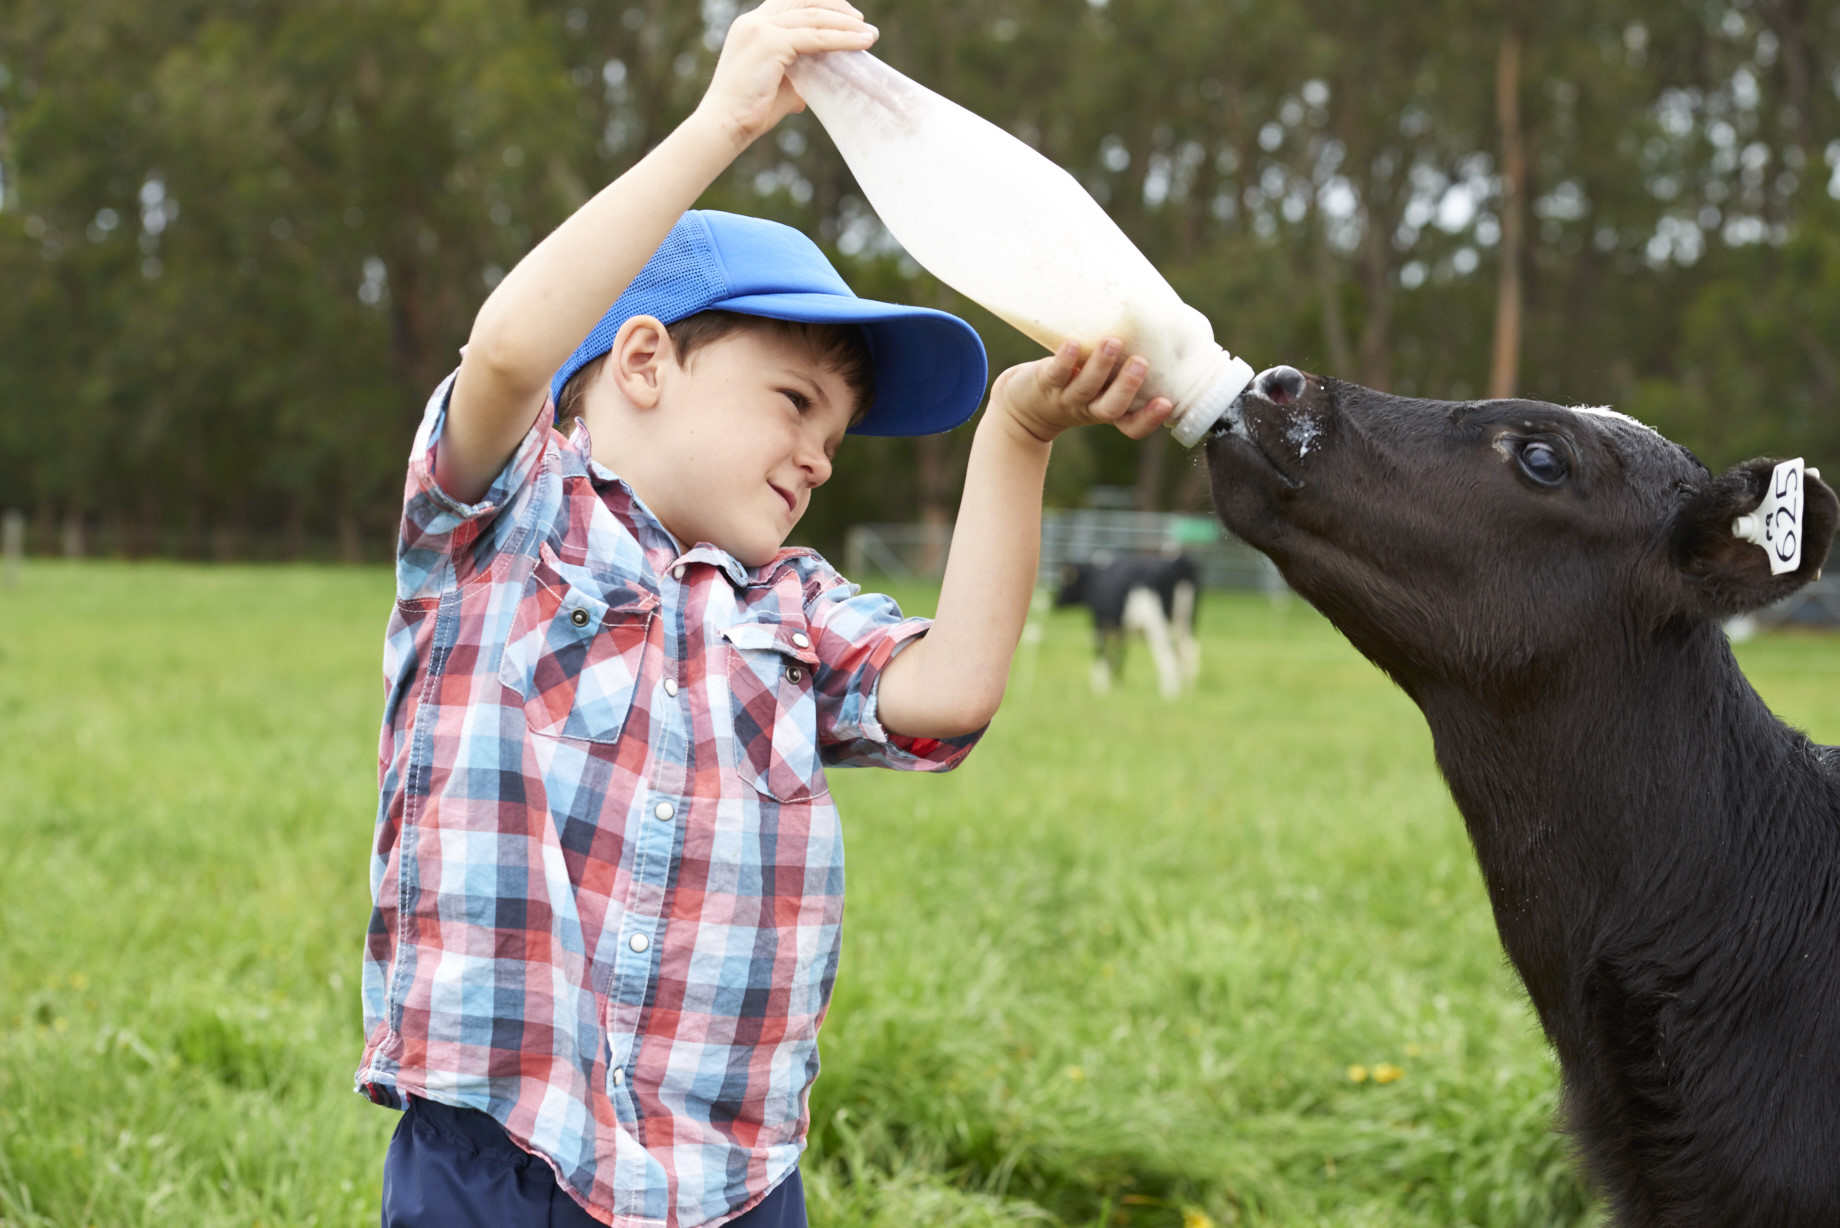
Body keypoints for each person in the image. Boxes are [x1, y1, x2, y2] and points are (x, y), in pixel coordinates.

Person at [354, 3, 1175, 1225]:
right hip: (500, 1149)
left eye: (835, 434)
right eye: (793, 400)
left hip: (728, 1177)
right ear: (643, 363)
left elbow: (948, 692)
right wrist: (720, 121)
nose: (818, 455)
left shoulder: (790, 606)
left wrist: (1014, 434)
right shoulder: (505, 524)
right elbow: (514, 350)